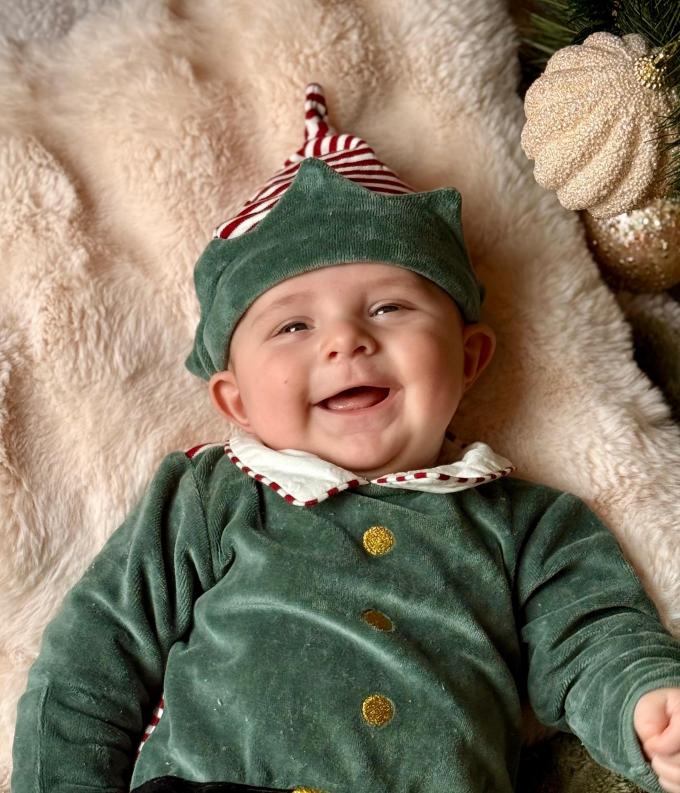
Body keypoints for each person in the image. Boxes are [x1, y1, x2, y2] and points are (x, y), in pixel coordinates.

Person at [11, 84, 680, 793]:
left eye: (389, 308)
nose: (346, 341)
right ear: (236, 401)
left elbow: (593, 637)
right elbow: (93, 660)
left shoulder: (526, 523)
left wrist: (645, 703)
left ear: (469, 358)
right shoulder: (209, 496)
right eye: (293, 326)